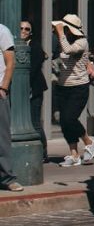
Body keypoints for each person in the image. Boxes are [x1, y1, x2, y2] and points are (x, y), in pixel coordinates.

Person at [52, 15, 94, 166]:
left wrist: (60, 33)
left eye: (65, 28)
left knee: (69, 119)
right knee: (64, 123)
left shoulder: (81, 42)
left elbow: (68, 50)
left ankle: (89, 142)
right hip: (63, 86)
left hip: (78, 87)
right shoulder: (63, 39)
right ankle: (74, 155)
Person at [20, 21, 47, 162]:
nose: (23, 31)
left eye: (27, 29)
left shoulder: (34, 46)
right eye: (21, 28)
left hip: (34, 89)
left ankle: (42, 152)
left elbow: (34, 68)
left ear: (31, 32)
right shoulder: (15, 45)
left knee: (35, 121)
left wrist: (26, 85)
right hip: (21, 90)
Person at [0, 23, 22, 191]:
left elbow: (10, 62)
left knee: (2, 137)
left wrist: (4, 87)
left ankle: (7, 178)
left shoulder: (2, 31)